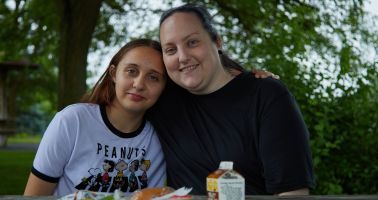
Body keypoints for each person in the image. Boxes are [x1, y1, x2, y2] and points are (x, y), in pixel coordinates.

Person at [146, 3, 315, 196]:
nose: (182, 57)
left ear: (217, 42)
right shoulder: (160, 99)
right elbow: (115, 97)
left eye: (192, 42)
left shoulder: (266, 96)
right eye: (170, 50)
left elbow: (292, 193)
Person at [24, 39, 167, 197]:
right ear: (114, 74)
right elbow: (33, 197)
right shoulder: (73, 121)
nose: (139, 84)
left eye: (153, 77)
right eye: (131, 71)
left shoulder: (160, 139)